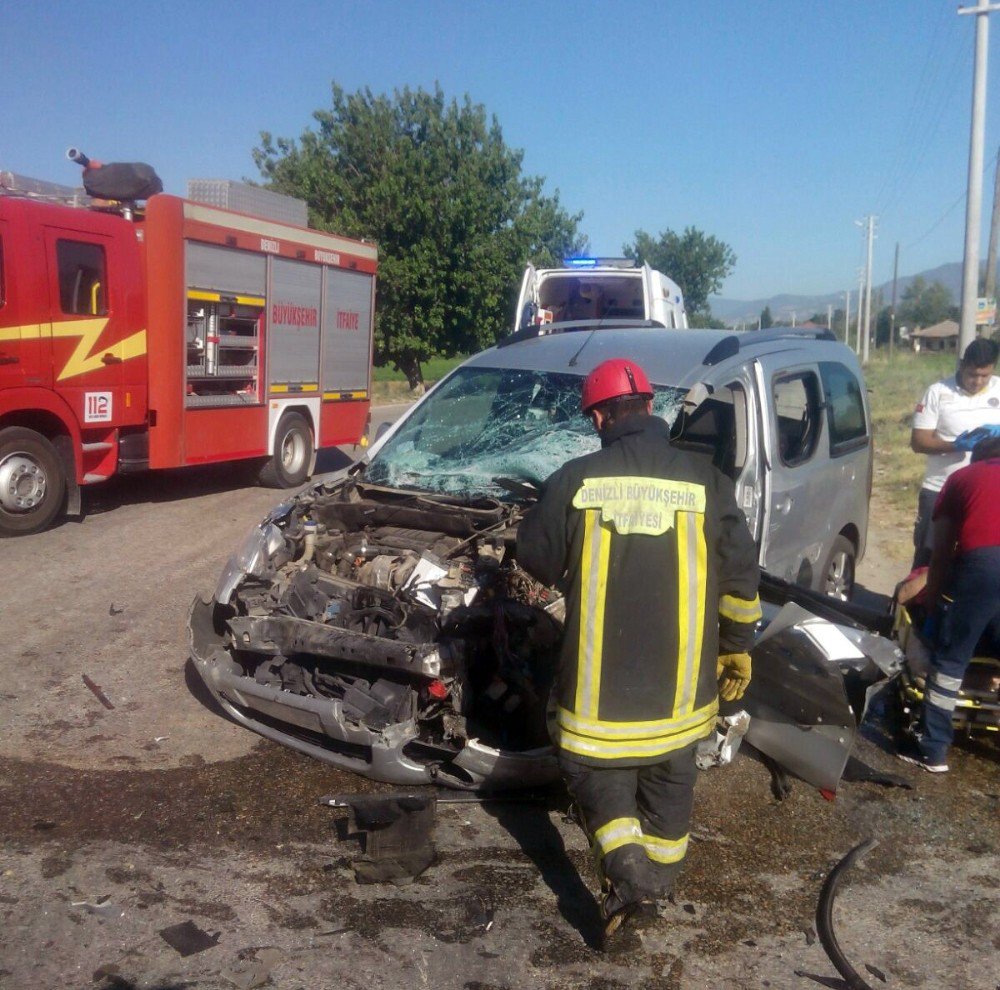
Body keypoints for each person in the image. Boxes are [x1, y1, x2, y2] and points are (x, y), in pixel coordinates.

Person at [515, 358, 761, 949]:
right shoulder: (707, 482)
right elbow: (741, 579)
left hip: (598, 705)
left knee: (589, 771)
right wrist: (737, 649)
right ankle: (655, 879)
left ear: (599, 417)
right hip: (683, 702)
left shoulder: (577, 480)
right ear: (651, 407)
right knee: (670, 786)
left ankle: (628, 877)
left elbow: (536, 560)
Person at [898, 435, 1000, 773]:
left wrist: (935, 605)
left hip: (983, 568)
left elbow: (941, 553)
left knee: (950, 661)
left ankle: (933, 750)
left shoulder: (962, 478)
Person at [910, 337, 1000, 567]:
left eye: (985, 376)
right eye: (972, 374)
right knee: (929, 557)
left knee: (978, 558)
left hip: (986, 492)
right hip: (941, 488)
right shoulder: (938, 392)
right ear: (962, 365)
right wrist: (956, 445)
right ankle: (915, 603)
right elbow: (918, 441)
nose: (977, 381)